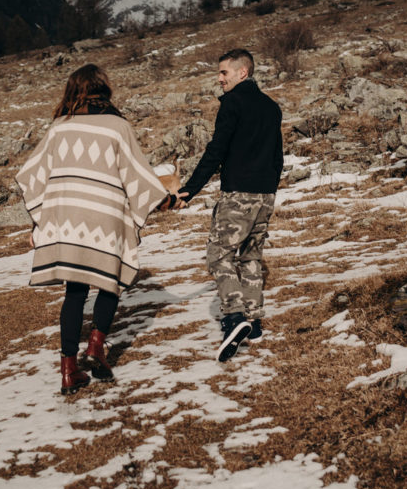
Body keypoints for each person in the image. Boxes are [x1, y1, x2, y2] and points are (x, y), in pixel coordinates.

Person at [16, 64, 177, 395]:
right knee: (111, 281)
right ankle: (95, 347)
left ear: (73, 90)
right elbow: (138, 174)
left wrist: (40, 220)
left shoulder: (59, 127)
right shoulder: (118, 126)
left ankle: (68, 370)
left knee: (74, 292)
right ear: (103, 88)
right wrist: (166, 200)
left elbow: (31, 175)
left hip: (68, 219)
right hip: (106, 217)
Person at [176, 48, 283, 362]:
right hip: (266, 195)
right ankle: (254, 321)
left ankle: (234, 318)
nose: (219, 78)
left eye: (224, 72)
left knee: (219, 254)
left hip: (238, 194)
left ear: (242, 72)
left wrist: (189, 190)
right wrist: (270, 189)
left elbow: (216, 151)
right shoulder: (271, 107)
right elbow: (277, 155)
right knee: (250, 256)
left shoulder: (233, 104)